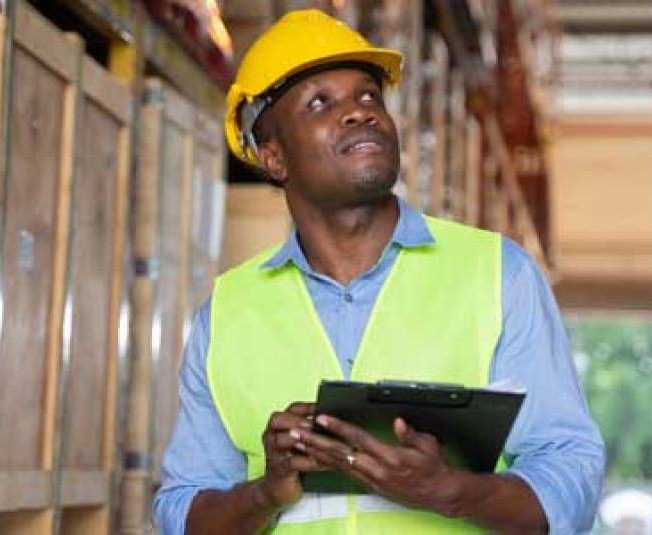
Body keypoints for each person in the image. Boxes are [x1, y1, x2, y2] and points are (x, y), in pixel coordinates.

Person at [153, 9, 604, 534]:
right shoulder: (227, 316)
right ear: (273, 157)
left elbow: (572, 476)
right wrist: (264, 494)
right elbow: (179, 513)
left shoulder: (499, 276)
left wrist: (452, 491)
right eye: (321, 102)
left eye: (369, 96)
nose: (358, 113)